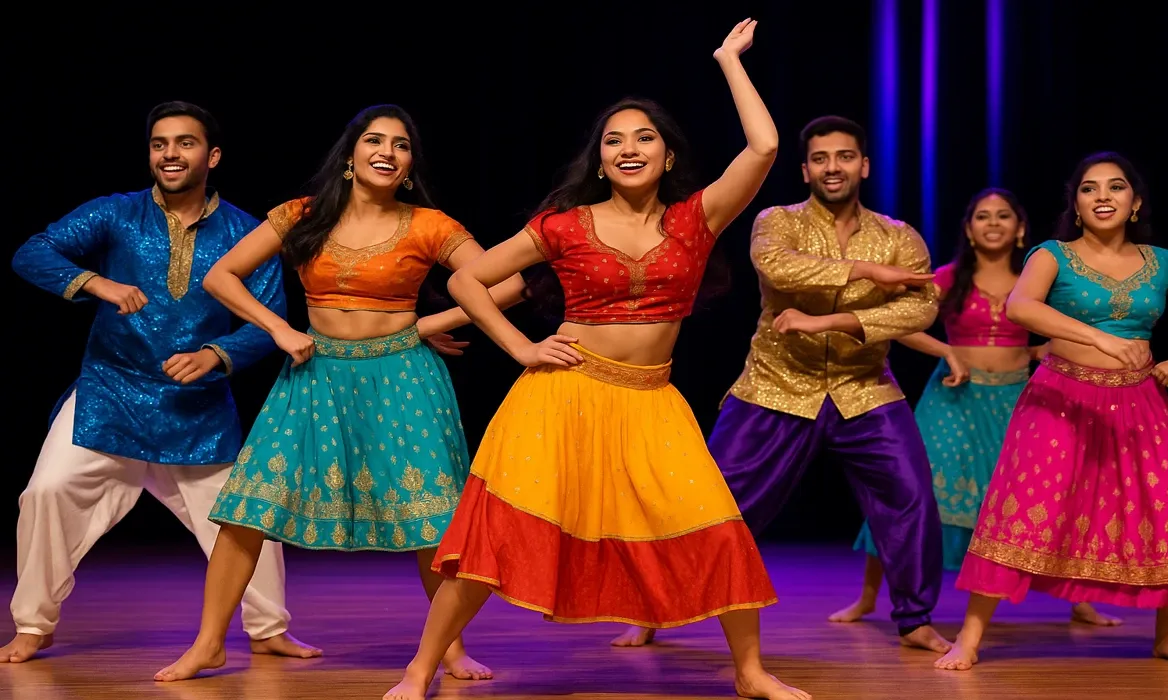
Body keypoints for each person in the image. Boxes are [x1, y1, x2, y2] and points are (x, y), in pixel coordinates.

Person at [386, 19, 809, 700]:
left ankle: (752, 673)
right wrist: (521, 347)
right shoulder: (563, 223)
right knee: (497, 539)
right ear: (601, 159)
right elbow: (467, 280)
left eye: (645, 137)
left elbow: (763, 147)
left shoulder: (696, 218)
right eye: (614, 140)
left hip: (651, 401)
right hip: (562, 395)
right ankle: (418, 669)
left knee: (717, 527)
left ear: (668, 157)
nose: (628, 148)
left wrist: (729, 61)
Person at [154, 104, 525, 682]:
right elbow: (220, 275)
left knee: (433, 520)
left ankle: (447, 648)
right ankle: (209, 643)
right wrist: (278, 328)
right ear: (350, 157)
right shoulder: (302, 215)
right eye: (374, 141)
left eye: (400, 146)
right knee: (247, 511)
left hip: (402, 377)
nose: (387, 151)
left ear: (408, 166)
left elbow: (509, 282)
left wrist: (425, 326)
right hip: (315, 375)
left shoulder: (430, 224)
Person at [614, 114, 951, 653]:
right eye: (820, 158)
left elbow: (921, 307)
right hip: (776, 385)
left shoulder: (899, 237)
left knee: (911, 494)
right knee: (712, 502)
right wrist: (865, 271)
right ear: (805, 170)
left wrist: (833, 322)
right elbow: (779, 268)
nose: (832, 167)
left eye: (843, 156)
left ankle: (915, 619)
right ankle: (655, 607)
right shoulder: (778, 221)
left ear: (863, 165)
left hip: (865, 388)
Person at [4, 101, 314, 663]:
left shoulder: (246, 232)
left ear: (212, 156)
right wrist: (94, 282)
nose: (170, 153)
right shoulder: (116, 213)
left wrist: (216, 355)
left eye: (185, 143)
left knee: (245, 515)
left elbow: (269, 319)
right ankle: (34, 623)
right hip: (110, 392)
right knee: (47, 492)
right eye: (159, 144)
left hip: (197, 406)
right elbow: (33, 252)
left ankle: (267, 628)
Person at [935, 152, 1168, 670]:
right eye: (1089, 188)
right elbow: (1021, 306)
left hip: (1140, 402)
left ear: (1135, 201)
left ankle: (1167, 636)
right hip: (1060, 399)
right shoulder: (1051, 254)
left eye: (1116, 187)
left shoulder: (1166, 262)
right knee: (1019, 511)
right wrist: (1099, 338)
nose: (1103, 196)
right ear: (1076, 206)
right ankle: (968, 639)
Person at [833, 188, 1121, 628]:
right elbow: (897, 323)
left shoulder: (1039, 279)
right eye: (982, 216)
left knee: (1039, 500)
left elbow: (1076, 326)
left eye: (1003, 216)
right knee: (908, 492)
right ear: (969, 230)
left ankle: (1078, 600)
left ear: (1020, 228)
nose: (992, 223)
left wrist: (1044, 351)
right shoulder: (948, 278)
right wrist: (945, 351)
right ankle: (870, 596)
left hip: (1019, 401)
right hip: (951, 399)